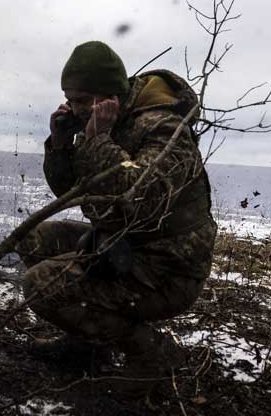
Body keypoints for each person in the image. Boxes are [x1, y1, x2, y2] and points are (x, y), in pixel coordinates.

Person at [16, 41, 217, 379]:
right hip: (122, 245)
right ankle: (87, 343)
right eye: (69, 98)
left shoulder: (163, 129)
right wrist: (62, 144)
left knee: (42, 286)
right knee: (33, 240)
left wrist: (97, 141)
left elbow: (140, 199)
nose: (72, 107)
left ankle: (152, 355)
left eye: (80, 100)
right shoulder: (105, 122)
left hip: (168, 267)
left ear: (107, 96)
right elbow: (70, 192)